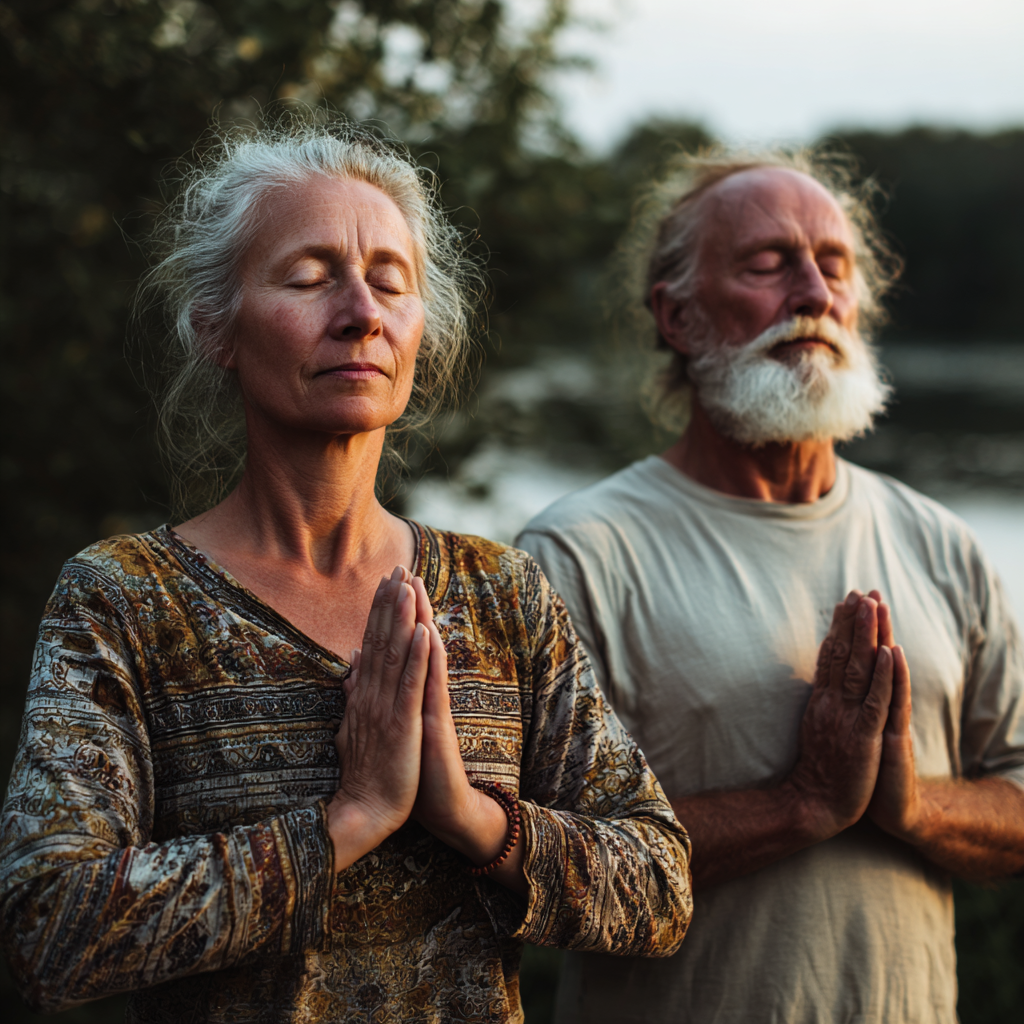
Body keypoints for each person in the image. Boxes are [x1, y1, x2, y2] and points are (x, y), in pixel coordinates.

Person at [0, 120, 694, 1023]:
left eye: (390, 283)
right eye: (309, 277)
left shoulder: (501, 594)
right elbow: (48, 930)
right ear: (217, 327)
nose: (362, 311)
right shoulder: (126, 599)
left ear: (416, 332)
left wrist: (474, 818)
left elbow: (661, 886)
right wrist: (349, 820)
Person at [518, 149, 1024, 1024]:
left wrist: (910, 805)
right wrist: (800, 805)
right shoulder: (578, 554)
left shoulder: (941, 543)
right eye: (767, 264)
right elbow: (541, 868)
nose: (814, 295)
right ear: (677, 316)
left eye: (835, 265)